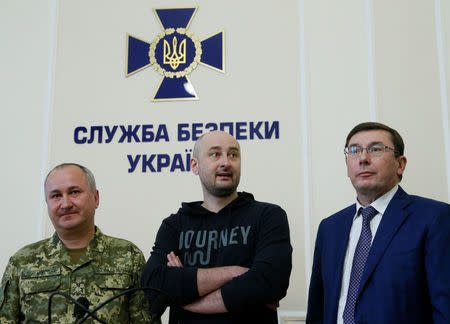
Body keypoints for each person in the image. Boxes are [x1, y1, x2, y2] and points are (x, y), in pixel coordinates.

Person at [141, 130, 292, 324]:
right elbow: (153, 287)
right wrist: (236, 272)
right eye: (215, 154)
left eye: (233, 154)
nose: (226, 163)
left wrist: (186, 297)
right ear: (195, 165)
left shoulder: (268, 216)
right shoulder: (174, 225)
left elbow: (270, 283)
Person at [306, 122, 450, 324]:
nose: (363, 159)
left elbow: (445, 307)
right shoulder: (330, 227)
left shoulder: (434, 217)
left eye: (376, 149)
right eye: (354, 150)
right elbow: (317, 309)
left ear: (400, 164)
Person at [0, 163, 152, 323]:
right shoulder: (22, 261)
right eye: (56, 196)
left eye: (74, 192)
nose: (65, 204)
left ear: (96, 198)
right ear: (47, 203)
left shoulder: (129, 256)